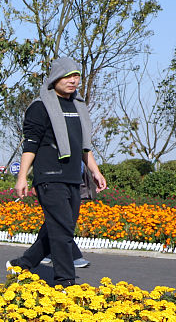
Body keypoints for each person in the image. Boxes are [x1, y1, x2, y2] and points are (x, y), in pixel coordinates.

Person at [7, 58, 106, 285]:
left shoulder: (78, 106)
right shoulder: (40, 106)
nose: (73, 81)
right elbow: (30, 144)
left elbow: (84, 146)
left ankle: (23, 264)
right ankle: (65, 281)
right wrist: (22, 177)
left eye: (76, 76)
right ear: (55, 78)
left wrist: (95, 172)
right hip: (49, 177)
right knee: (62, 229)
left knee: (61, 226)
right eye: (67, 76)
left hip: (72, 177)